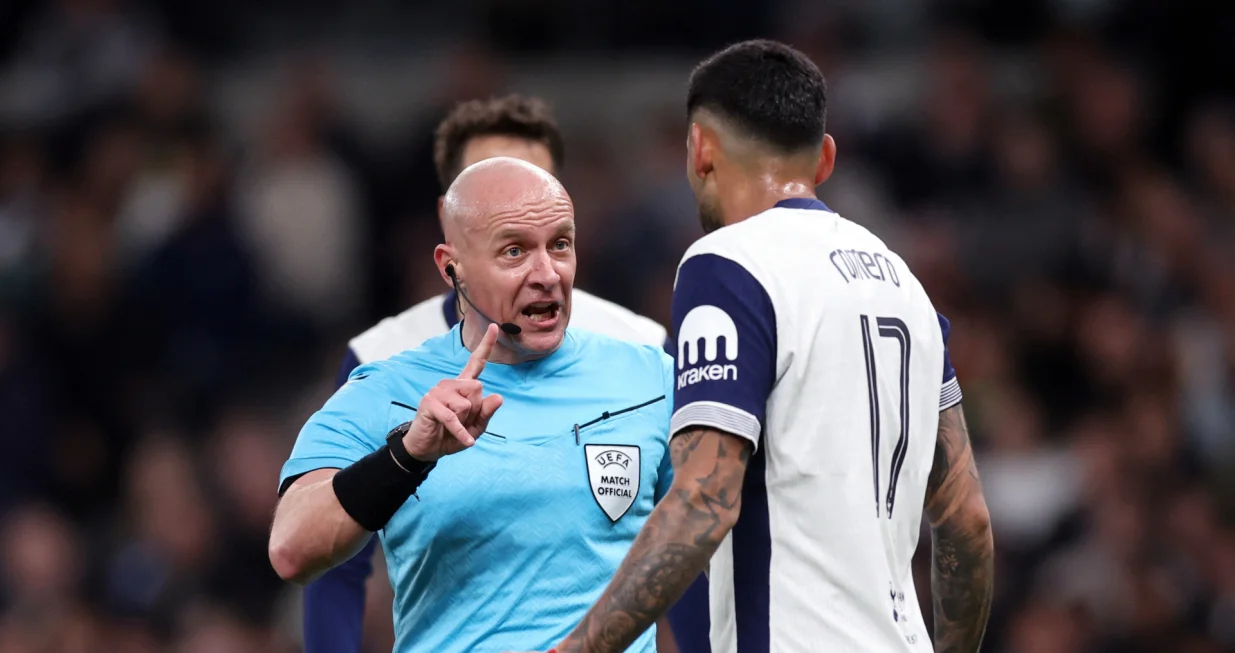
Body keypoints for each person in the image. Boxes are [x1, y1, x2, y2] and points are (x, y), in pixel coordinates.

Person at [529, 39, 995, 653]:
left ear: (700, 149)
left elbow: (704, 498)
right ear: (825, 159)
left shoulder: (728, 264)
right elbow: (967, 521)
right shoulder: (906, 286)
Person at [300, 95, 692, 653]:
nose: (517, 196)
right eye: (510, 239)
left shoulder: (646, 354)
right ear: (450, 232)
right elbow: (322, 557)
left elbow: (694, 539)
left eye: (555, 232)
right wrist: (406, 455)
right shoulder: (380, 362)